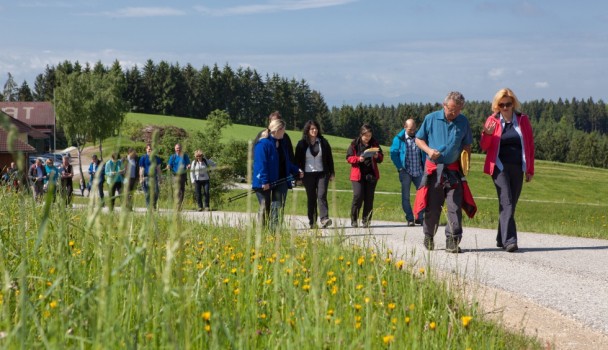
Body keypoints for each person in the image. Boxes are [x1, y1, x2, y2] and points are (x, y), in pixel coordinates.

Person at [413, 91, 476, 253]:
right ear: (444, 105)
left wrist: (465, 161)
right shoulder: (431, 118)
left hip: (454, 170)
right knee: (433, 207)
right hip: (434, 170)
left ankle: (452, 240)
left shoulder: (463, 122)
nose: (454, 113)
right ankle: (429, 236)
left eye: (458, 110)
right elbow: (418, 139)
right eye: (452, 109)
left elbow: (467, 145)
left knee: (454, 206)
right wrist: (428, 151)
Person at [480, 88, 535, 253]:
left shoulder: (522, 120)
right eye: (501, 105)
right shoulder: (492, 120)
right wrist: (487, 134)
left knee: (511, 203)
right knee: (507, 201)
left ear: (513, 104)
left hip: (518, 167)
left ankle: (500, 237)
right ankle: (510, 240)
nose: (505, 108)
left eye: (508, 104)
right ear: (497, 106)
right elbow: (484, 146)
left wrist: (530, 169)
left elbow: (530, 145)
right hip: (499, 167)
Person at [252, 118, 303, 231]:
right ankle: (261, 232)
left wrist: (296, 170)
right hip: (264, 182)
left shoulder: (281, 144)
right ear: (277, 130)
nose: (285, 133)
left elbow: (285, 162)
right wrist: (264, 181)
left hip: (281, 180)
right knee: (265, 207)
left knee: (277, 208)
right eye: (283, 130)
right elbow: (261, 164)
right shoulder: (263, 144)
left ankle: (274, 233)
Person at [294, 120, 335, 229]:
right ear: (307, 130)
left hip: (322, 173)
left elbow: (329, 159)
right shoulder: (301, 144)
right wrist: (297, 175)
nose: (315, 130)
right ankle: (312, 221)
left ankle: (324, 219)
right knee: (311, 197)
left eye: (316, 128)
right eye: (312, 129)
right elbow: (297, 161)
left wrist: (332, 172)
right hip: (308, 174)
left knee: (321, 195)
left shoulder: (324, 142)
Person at [346, 124, 384, 228]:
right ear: (361, 134)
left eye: (369, 135)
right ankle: (354, 220)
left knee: (369, 198)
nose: (368, 138)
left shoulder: (374, 143)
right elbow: (348, 158)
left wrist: (377, 156)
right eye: (365, 135)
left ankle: (366, 221)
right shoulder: (354, 144)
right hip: (357, 175)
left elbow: (381, 158)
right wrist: (358, 159)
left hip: (371, 175)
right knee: (358, 196)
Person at [390, 118, 425, 226]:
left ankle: (419, 217)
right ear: (405, 127)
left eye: (414, 129)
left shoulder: (420, 137)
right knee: (406, 196)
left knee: (423, 195)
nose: (413, 131)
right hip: (406, 171)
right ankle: (410, 218)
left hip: (419, 170)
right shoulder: (399, 139)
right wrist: (400, 168)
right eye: (410, 129)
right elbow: (393, 153)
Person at [167, 143, 190, 210]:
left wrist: (188, 166)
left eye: (179, 148)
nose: (178, 149)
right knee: (178, 190)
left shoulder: (185, 156)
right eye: (177, 148)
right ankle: (177, 205)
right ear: (175, 149)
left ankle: (179, 205)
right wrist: (168, 166)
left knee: (182, 190)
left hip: (183, 175)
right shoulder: (173, 157)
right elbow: (169, 164)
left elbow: (188, 163)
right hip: (175, 175)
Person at [139, 144, 162, 210]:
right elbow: (141, 169)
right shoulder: (143, 158)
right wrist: (141, 178)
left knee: (156, 192)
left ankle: (154, 204)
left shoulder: (157, 158)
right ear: (146, 149)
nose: (150, 150)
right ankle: (149, 207)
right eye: (149, 149)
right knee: (147, 193)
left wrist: (160, 178)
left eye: (151, 149)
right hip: (146, 178)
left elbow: (158, 169)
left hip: (154, 177)